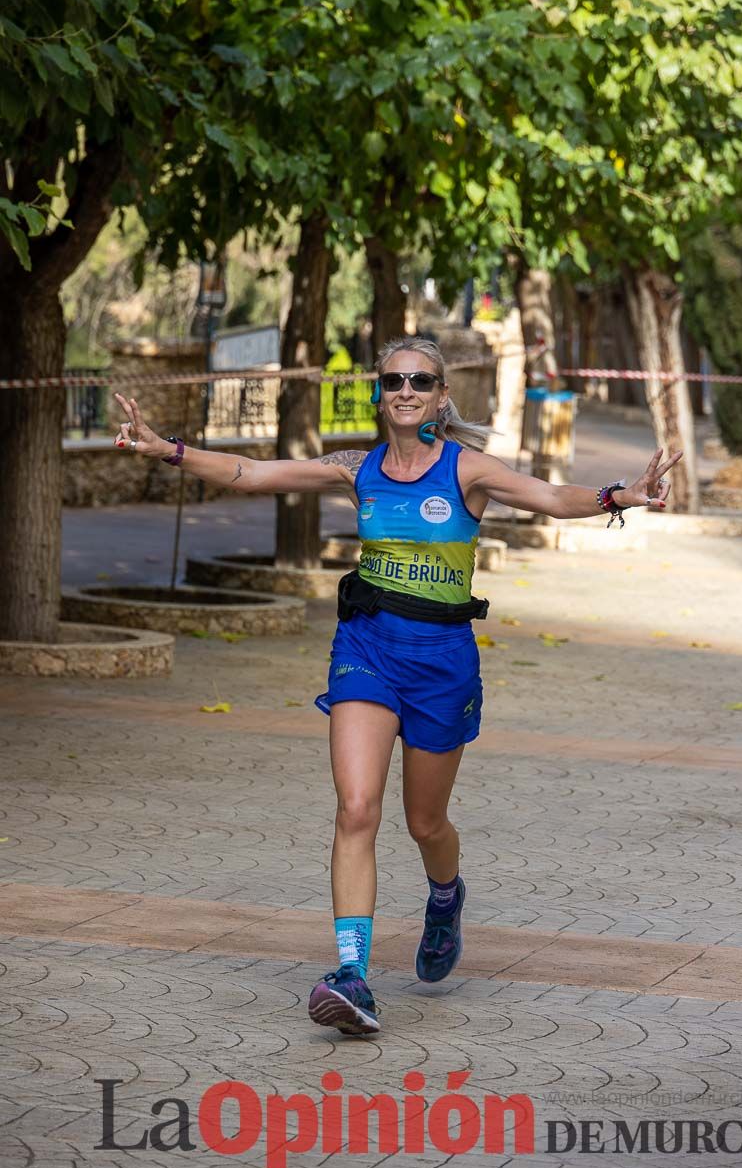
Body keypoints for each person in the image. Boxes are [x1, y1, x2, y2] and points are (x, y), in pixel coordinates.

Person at [113, 336, 681, 1037]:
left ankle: (446, 895)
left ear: (442, 397)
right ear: (380, 394)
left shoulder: (467, 470)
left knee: (425, 824)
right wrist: (165, 450)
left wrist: (616, 495)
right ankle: (351, 972)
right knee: (356, 808)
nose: (405, 390)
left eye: (420, 380)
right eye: (393, 380)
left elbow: (547, 496)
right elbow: (252, 473)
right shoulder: (357, 468)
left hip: (443, 661)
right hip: (367, 647)